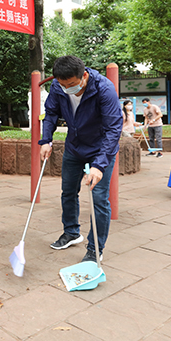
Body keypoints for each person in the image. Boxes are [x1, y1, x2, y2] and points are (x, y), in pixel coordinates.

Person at [40, 55, 122, 263]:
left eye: (72, 84)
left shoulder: (104, 89)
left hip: (100, 149)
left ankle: (95, 249)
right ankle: (71, 232)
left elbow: (113, 129)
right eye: (63, 85)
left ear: (84, 75)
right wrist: (46, 140)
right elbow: (51, 113)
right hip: (74, 147)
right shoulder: (58, 87)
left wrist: (99, 165)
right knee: (68, 192)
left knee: (99, 199)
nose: (67, 89)